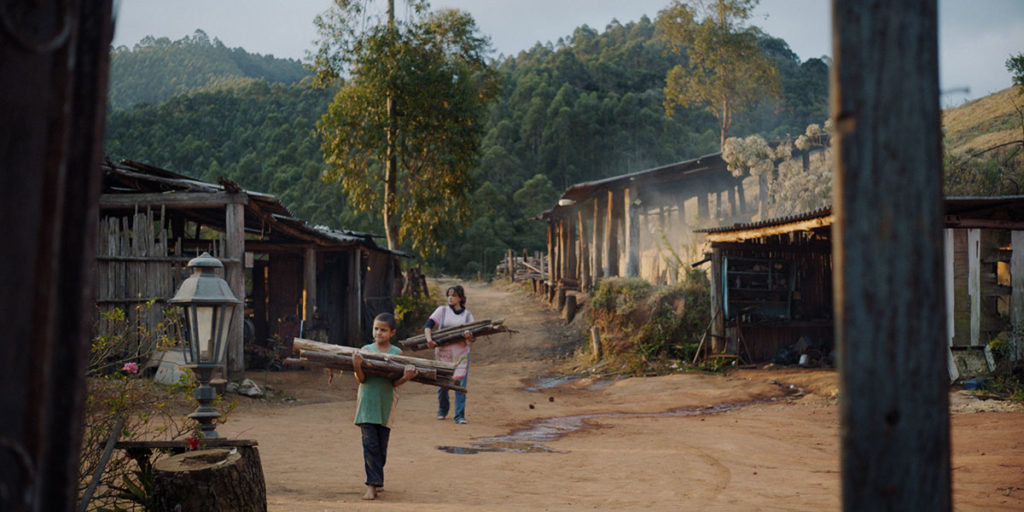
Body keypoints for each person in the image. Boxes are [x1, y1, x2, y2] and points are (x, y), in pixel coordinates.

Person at [352, 312, 417, 501]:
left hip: (385, 406)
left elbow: (394, 383)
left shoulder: (396, 354)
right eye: (376, 329)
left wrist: (406, 376)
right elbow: (361, 380)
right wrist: (357, 366)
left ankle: (376, 479)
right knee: (370, 445)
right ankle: (371, 485)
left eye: (383, 330)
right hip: (367, 404)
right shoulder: (365, 350)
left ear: (392, 332)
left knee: (380, 449)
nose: (379, 333)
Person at [424, 285, 475, 424]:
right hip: (443, 354)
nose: (450, 298)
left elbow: (473, 337)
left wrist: (469, 336)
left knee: (459, 384)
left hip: (461, 355)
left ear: (461, 298)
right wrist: (429, 340)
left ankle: (459, 415)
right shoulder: (442, 311)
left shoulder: (467, 315)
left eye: (454, 295)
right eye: (449, 295)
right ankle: (442, 409)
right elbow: (428, 325)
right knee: (442, 385)